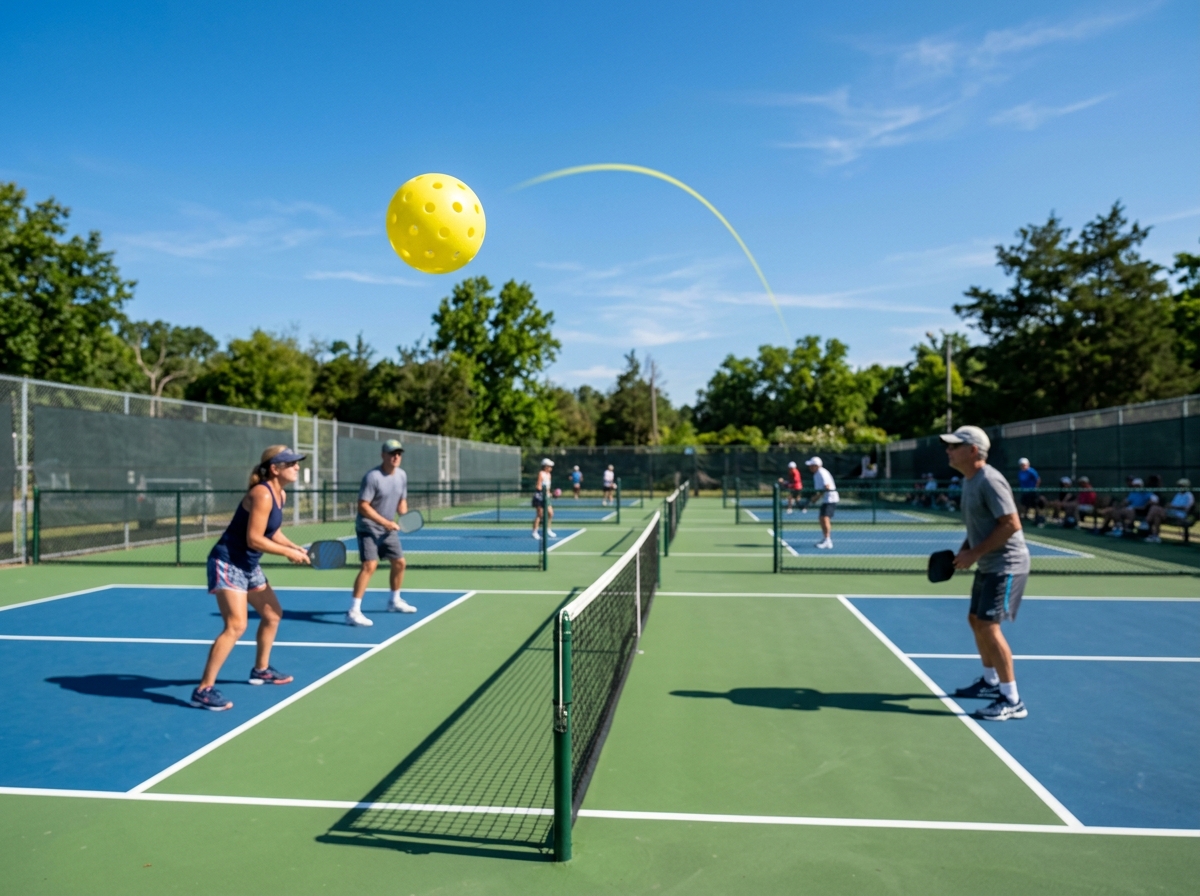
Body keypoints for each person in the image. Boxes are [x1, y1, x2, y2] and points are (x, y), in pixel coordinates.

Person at [193, 446, 310, 711]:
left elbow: (273, 531)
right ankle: (203, 690)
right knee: (236, 626)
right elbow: (254, 539)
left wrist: (295, 546)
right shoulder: (262, 494)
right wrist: (287, 554)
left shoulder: (280, 494)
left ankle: (261, 669)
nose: (297, 467)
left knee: (272, 614)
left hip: (248, 565)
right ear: (274, 468)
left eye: (297, 462)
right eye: (291, 463)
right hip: (228, 562)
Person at [941, 425, 1031, 722]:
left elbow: (1011, 524)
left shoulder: (990, 481)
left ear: (973, 450)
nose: (948, 450)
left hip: (1007, 564)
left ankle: (1012, 700)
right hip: (988, 563)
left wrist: (974, 554)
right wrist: (965, 551)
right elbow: (979, 526)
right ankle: (990, 681)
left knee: (990, 627)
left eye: (954, 446)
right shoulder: (969, 481)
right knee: (975, 620)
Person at [348, 439, 416, 627]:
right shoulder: (373, 477)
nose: (396, 457)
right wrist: (386, 522)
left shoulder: (402, 475)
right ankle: (353, 611)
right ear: (383, 455)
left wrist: (404, 515)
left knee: (400, 563)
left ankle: (394, 601)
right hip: (368, 528)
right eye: (392, 453)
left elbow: (401, 501)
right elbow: (363, 506)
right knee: (370, 565)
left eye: (398, 454)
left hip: (387, 529)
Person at [1143, 479, 1195, 543]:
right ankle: (1155, 537)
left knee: (1155, 508)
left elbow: (1186, 508)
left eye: (1181, 486)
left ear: (1186, 486)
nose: (1180, 487)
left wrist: (1173, 507)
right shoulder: (1178, 494)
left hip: (1179, 515)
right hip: (1171, 512)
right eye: (1179, 486)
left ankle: (1146, 522)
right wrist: (1169, 506)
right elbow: (1172, 504)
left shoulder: (1189, 495)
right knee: (1157, 517)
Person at [805, 457, 839, 549]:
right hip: (826, 499)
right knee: (822, 518)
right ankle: (826, 539)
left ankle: (828, 541)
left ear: (816, 466)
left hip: (830, 499)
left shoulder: (821, 473)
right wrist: (816, 497)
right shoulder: (817, 474)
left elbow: (826, 486)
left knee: (824, 518)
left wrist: (816, 498)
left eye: (811, 465)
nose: (809, 467)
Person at [1016, 458, 1045, 525]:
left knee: (1035, 505)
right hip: (1024, 492)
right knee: (1023, 505)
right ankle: (1024, 517)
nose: (1023, 466)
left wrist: (1035, 488)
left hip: (1032, 492)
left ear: (1027, 464)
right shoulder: (1020, 472)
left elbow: (1038, 479)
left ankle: (1037, 518)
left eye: (1024, 465)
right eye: (1021, 465)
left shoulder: (1031, 471)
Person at [533, 458, 556, 539]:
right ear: (545, 466)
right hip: (539, 496)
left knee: (550, 513)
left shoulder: (549, 475)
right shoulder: (541, 473)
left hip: (546, 496)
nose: (551, 468)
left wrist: (549, 493)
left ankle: (548, 529)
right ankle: (535, 532)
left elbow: (548, 487)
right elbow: (538, 485)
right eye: (550, 466)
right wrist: (543, 491)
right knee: (540, 514)